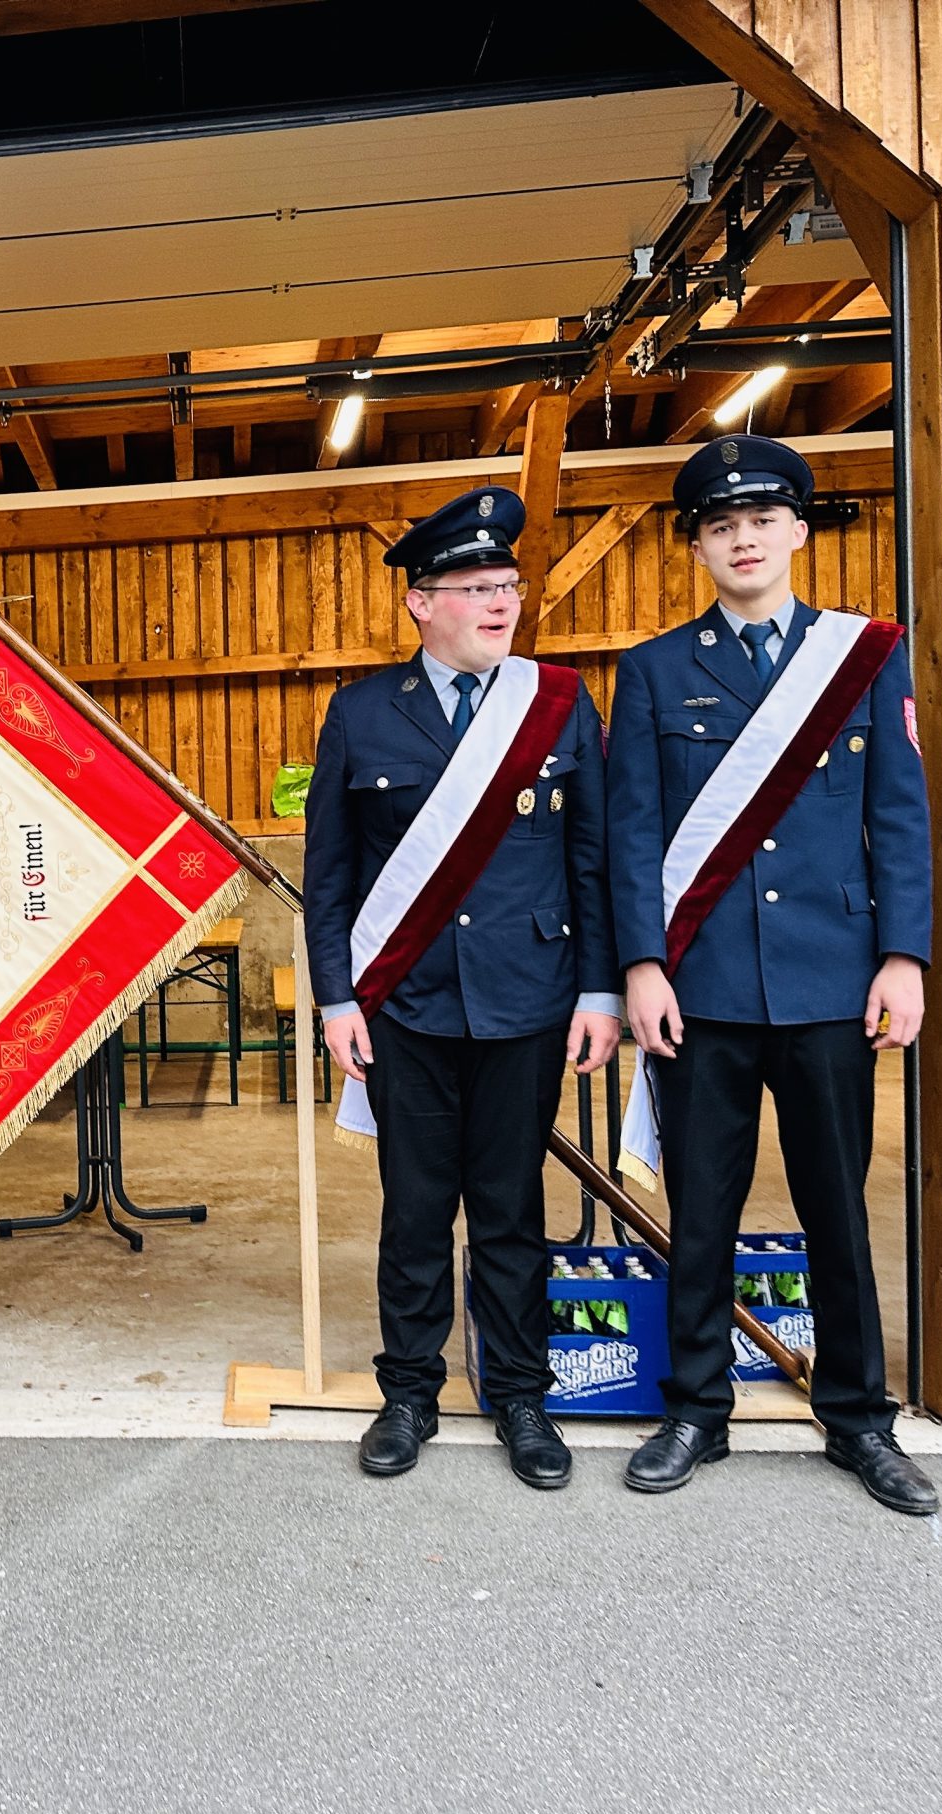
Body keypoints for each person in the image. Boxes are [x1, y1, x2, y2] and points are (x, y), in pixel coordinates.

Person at [606, 434, 938, 1515]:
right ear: (696, 544)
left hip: (832, 980)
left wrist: (903, 954)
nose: (741, 537)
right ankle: (696, 1409)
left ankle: (857, 1420)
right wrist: (642, 966)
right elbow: (632, 832)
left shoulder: (864, 657)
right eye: (718, 523)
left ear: (798, 529)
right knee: (700, 1210)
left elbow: (898, 814)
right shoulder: (654, 669)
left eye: (761, 517)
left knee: (836, 1207)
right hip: (698, 988)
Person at [304, 485, 621, 1486]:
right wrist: (336, 998)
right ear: (420, 603)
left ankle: (521, 1398)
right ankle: (408, 1392)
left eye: (507, 585)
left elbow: (591, 859)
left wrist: (599, 991)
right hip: (407, 1005)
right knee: (413, 1207)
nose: (498, 603)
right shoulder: (360, 715)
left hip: (528, 998)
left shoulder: (561, 705)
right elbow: (331, 875)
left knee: (510, 1208)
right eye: (474, 587)